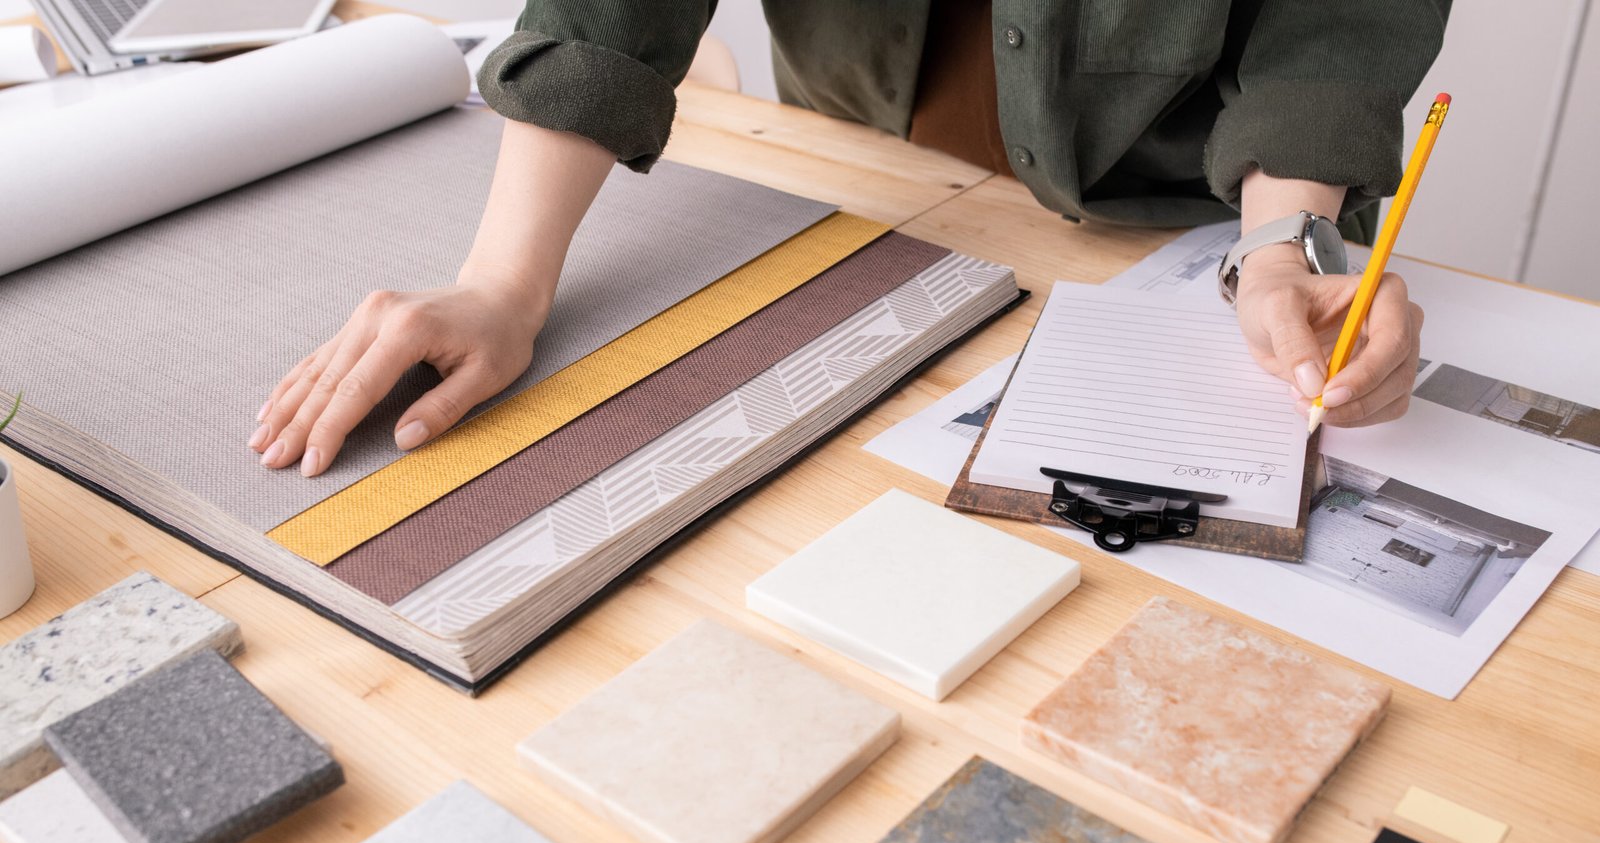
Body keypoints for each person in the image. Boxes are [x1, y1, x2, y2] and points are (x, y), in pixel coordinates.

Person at [250, 1, 1448, 477]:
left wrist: (1284, 247)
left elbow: (1330, 24)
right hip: (865, 183)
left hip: (1166, 213)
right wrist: (501, 285)